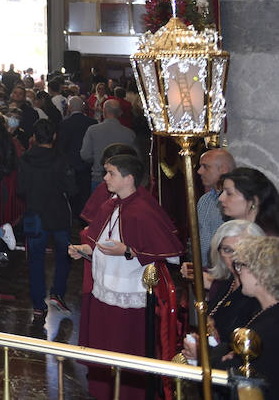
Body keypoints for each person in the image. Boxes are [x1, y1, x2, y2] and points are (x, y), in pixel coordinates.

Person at [71, 152, 183, 400]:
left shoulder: (142, 209)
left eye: (111, 173)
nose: (105, 178)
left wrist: (128, 251)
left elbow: (169, 255)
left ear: (129, 178)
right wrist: (85, 251)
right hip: (104, 287)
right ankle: (104, 391)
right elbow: (103, 242)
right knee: (106, 345)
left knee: (126, 347)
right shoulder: (111, 204)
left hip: (129, 291)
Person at [182, 219, 263, 368]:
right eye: (227, 250)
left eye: (242, 249)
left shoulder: (257, 293)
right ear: (218, 253)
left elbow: (246, 353)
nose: (235, 257)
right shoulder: (227, 283)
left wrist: (201, 353)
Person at [17, 119, 75, 316]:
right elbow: (71, 187)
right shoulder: (61, 159)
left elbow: (21, 189)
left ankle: (37, 303)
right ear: (55, 136)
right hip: (58, 212)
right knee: (64, 255)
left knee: (36, 258)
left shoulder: (25, 159)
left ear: (34, 137)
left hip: (35, 213)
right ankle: (57, 293)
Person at [223, 235, 279, 389]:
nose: (238, 271)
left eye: (241, 265)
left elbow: (240, 376)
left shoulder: (269, 327)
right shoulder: (265, 311)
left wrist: (202, 354)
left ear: (260, 274)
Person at [197, 148, 237, 256]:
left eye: (205, 167)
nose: (199, 171)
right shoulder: (204, 200)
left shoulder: (237, 202)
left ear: (223, 169)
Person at [217, 167, 279, 235]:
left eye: (229, 193)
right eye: (222, 192)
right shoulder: (229, 228)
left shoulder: (266, 239)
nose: (220, 198)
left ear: (254, 201)